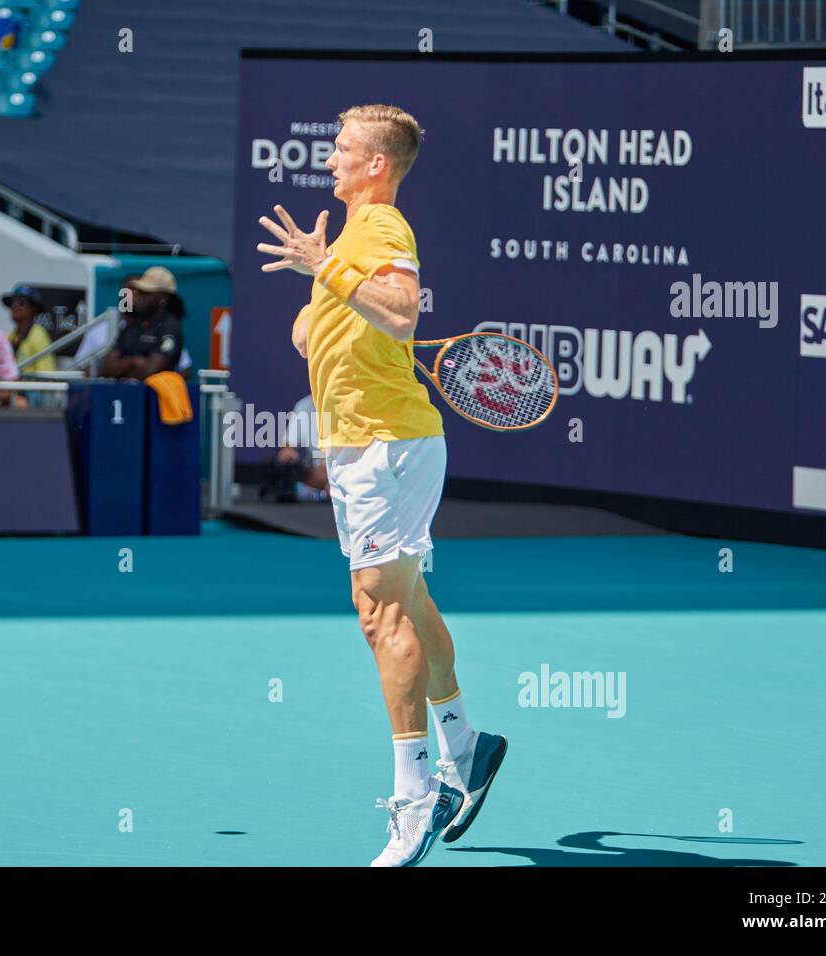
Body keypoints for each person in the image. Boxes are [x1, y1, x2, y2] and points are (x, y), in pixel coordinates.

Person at [257, 104, 507, 867]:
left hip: (386, 445)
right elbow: (321, 331)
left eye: (341, 149)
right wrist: (316, 306)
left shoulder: (384, 229)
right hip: (365, 444)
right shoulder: (353, 240)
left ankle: (413, 800)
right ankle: (467, 744)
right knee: (408, 600)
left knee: (379, 613)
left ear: (377, 164)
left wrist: (323, 268)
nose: (329, 159)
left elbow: (400, 315)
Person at [99, 267, 184, 382]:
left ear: (163, 298)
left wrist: (122, 367)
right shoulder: (131, 325)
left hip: (154, 397)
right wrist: (132, 362)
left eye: (146, 293)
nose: (138, 297)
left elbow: (151, 370)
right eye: (138, 291)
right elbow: (105, 367)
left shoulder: (169, 327)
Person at [1, 283, 57, 373]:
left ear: (33, 308)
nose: (15, 306)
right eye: (12, 302)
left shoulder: (38, 335)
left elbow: (46, 376)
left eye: (21, 302)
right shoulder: (10, 336)